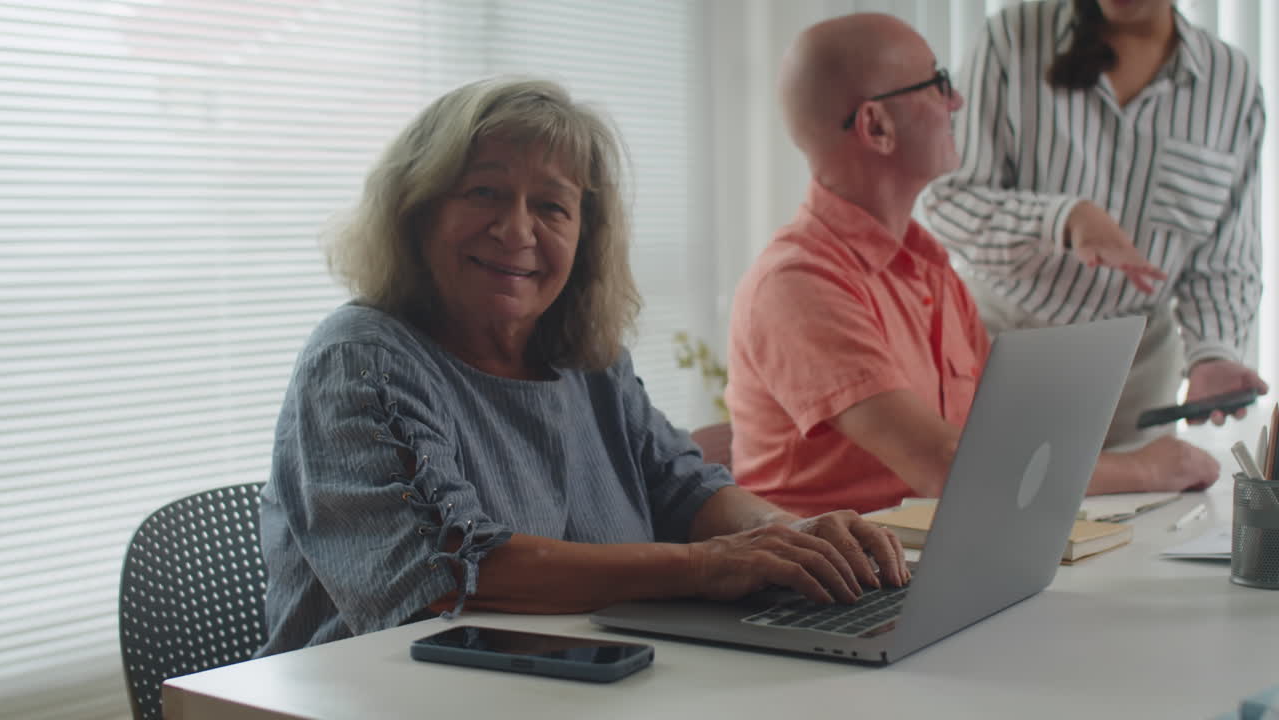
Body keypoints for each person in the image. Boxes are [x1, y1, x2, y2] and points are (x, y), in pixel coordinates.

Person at [256, 77, 909, 656]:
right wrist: (709, 566)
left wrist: (791, 536)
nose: (517, 230)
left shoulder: (583, 355)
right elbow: (448, 571)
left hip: (572, 680)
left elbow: (681, 487)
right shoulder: (360, 361)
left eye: (551, 206)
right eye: (484, 192)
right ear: (417, 211)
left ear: (584, 236)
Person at [726, 13, 1219, 517]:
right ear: (877, 126)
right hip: (842, 566)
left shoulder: (930, 268)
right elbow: (946, 464)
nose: (957, 102)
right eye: (938, 85)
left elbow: (998, 439)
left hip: (936, 547)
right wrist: (1145, 469)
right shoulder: (797, 284)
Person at [920, 0, 1268, 450]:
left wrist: (1213, 352)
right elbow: (949, 200)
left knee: (1145, 498)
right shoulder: (1013, 37)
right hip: (1003, 345)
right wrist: (1061, 220)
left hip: (1137, 377)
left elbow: (1226, 256)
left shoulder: (1230, 82)